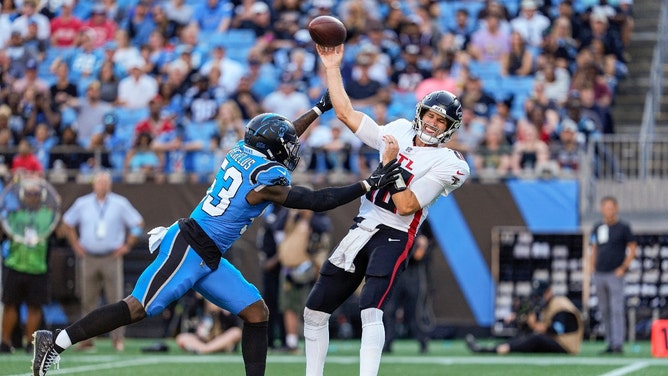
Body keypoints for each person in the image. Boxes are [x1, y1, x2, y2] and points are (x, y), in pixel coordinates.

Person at [31, 98, 403, 376]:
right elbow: (316, 200)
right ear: (275, 150)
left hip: (208, 254)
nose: (292, 149)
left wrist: (318, 108)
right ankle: (55, 341)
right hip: (189, 246)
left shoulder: (244, 150)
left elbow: (281, 131)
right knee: (137, 307)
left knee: (256, 313)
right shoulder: (266, 181)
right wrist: (367, 183)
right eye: (287, 146)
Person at [303, 44, 469, 376]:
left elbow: (406, 205)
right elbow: (347, 114)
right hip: (362, 226)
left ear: (450, 127)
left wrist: (390, 165)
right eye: (431, 116)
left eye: (441, 120)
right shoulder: (399, 130)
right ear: (420, 113)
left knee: (371, 311)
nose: (434, 124)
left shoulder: (450, 163)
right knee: (314, 312)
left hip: (394, 233)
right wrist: (333, 68)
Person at [59, 171, 145, 352]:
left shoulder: (119, 203)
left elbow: (138, 223)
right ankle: (87, 340)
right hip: (89, 257)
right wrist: (76, 245)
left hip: (111, 257)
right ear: (93, 184)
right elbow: (67, 223)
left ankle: (117, 339)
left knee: (117, 299)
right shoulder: (82, 203)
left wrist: (127, 245)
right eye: (99, 182)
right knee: (88, 299)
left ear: (110, 184)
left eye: (105, 182)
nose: (102, 185)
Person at [1, 179, 60, 353]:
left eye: (35, 194)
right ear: (22, 196)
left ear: (40, 197)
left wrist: (57, 206)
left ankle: (30, 342)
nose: (32, 197)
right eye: (28, 194)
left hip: (38, 266)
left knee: (35, 306)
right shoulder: (14, 215)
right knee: (10, 304)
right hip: (15, 264)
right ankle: (5, 341)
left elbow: (60, 231)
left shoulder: (48, 215)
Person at [465, 280, 584, 355]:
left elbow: (556, 330)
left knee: (536, 338)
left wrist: (533, 324)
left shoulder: (560, 305)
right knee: (525, 338)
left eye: (540, 294)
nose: (538, 298)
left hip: (566, 345)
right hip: (556, 341)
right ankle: (493, 348)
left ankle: (500, 349)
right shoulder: (549, 305)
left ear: (549, 292)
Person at [589, 196, 637, 354]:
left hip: (615, 274)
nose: (608, 210)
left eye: (611, 207)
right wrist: (591, 266)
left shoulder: (623, 227)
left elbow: (632, 248)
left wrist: (623, 267)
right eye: (605, 207)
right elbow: (594, 248)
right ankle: (610, 343)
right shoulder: (597, 227)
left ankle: (618, 343)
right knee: (604, 309)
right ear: (601, 209)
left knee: (617, 309)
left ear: (616, 208)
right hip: (600, 273)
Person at [175, 294, 242, 355]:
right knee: (181, 338)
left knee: (236, 332)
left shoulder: (226, 311)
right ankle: (209, 349)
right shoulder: (199, 306)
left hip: (220, 339)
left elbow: (235, 327)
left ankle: (205, 349)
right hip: (204, 341)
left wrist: (221, 312)